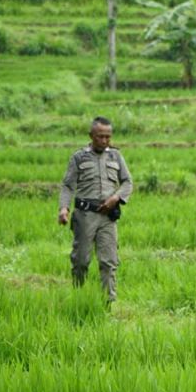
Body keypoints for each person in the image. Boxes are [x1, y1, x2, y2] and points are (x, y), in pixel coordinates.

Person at [58, 116, 133, 303]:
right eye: (100, 136)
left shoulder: (116, 156)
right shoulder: (78, 157)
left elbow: (127, 182)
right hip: (85, 216)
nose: (105, 140)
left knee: (109, 262)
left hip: (108, 218)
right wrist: (64, 208)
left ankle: (108, 304)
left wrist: (116, 197)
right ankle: (78, 297)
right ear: (91, 135)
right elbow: (68, 186)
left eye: (108, 136)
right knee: (81, 261)